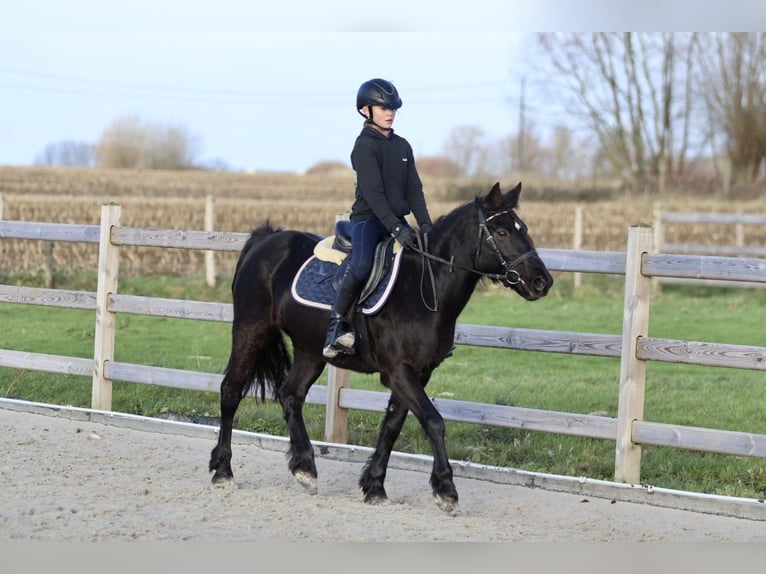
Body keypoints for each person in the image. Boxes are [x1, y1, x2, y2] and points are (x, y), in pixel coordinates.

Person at [322, 78, 433, 359]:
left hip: (396, 220)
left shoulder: (403, 146)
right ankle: (337, 326)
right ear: (365, 110)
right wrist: (396, 228)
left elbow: (414, 190)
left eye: (392, 107)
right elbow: (373, 194)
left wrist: (427, 226)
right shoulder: (364, 147)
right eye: (383, 107)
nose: (390, 112)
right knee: (361, 266)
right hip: (369, 220)